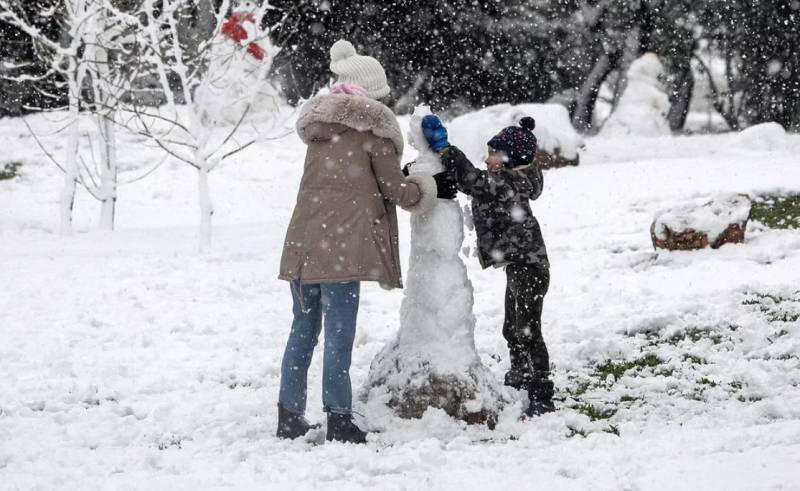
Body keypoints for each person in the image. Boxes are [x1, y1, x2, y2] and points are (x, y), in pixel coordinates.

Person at [276, 40, 453, 443]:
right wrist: (431, 183)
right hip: (342, 252)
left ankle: (288, 415)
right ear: (373, 92)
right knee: (339, 337)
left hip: (303, 247)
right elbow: (398, 192)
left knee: (302, 331)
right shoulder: (374, 132)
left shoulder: (321, 131)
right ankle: (339, 419)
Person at [420, 114, 555, 417]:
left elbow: (473, 180)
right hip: (519, 266)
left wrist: (446, 150)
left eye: (494, 154)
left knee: (529, 329)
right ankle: (520, 375)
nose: (488, 158)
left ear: (511, 160)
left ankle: (541, 391)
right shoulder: (509, 179)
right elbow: (475, 180)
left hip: (529, 269)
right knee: (513, 327)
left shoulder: (510, 182)